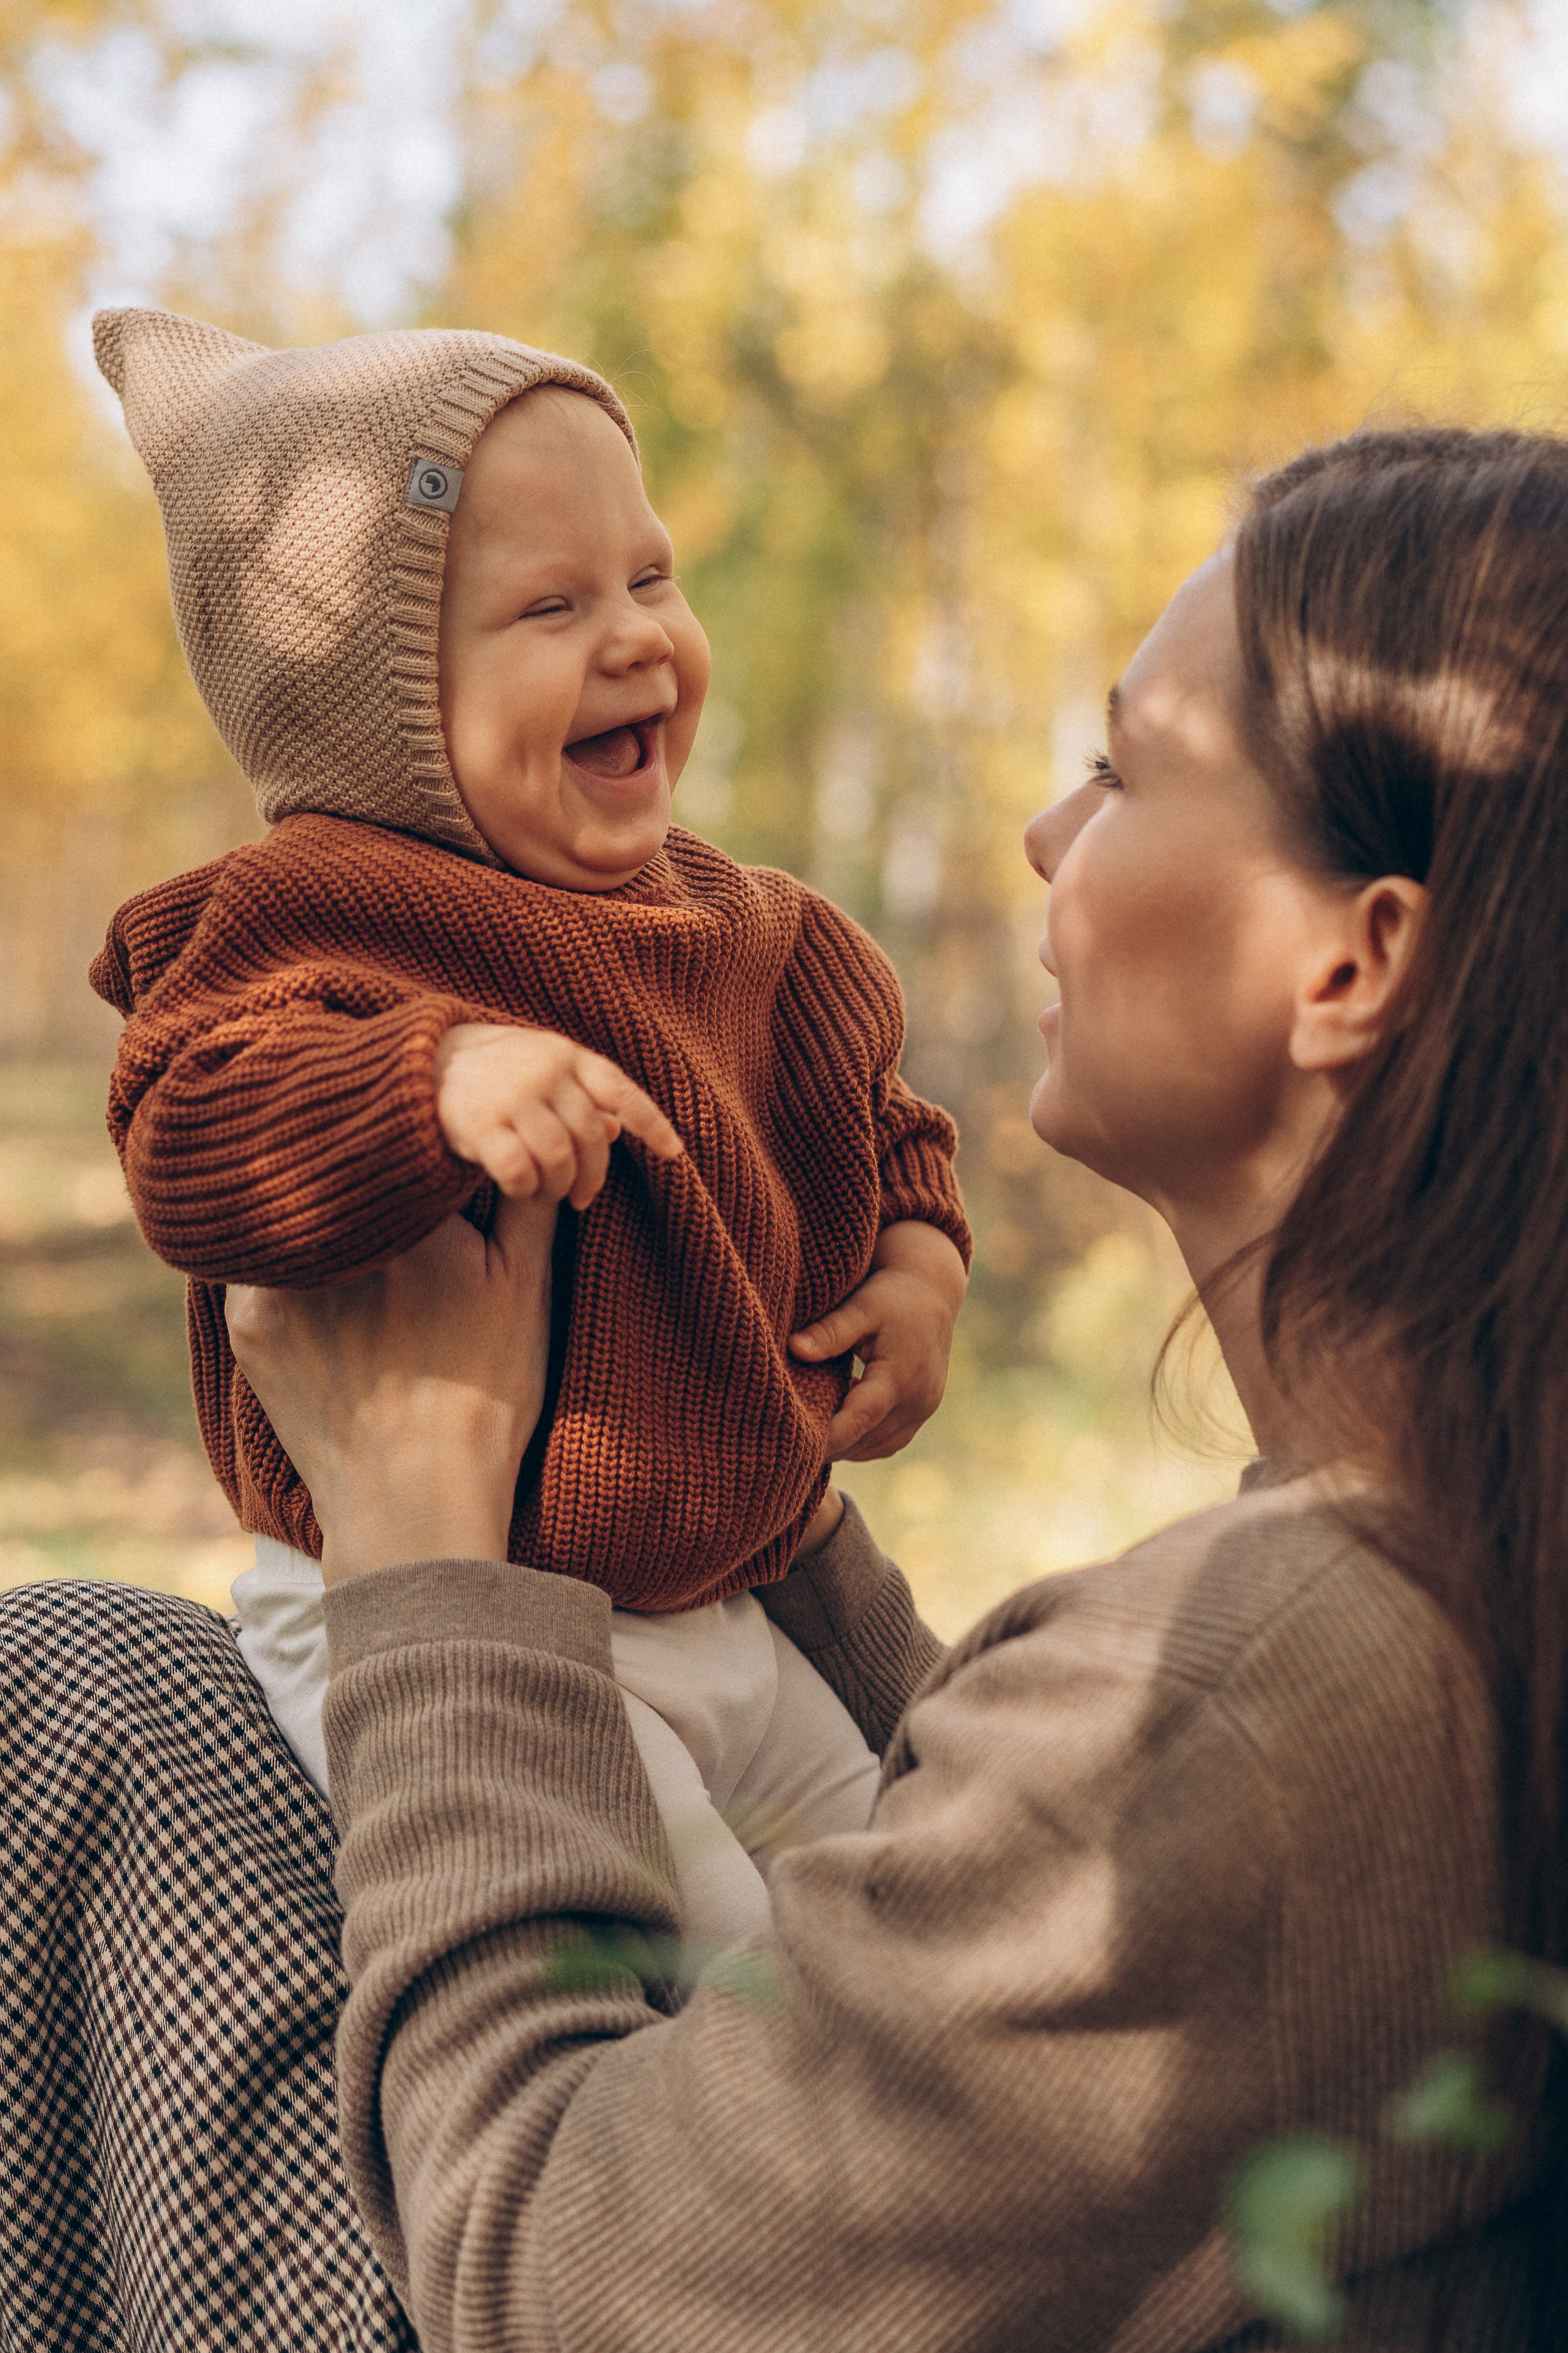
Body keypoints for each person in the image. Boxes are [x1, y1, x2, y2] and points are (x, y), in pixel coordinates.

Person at [2, 420, 1562, 2349]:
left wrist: (421, 1530)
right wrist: (760, 1467)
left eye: (1124, 767)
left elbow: (563, 2280)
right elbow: (989, 1945)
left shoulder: (1290, 1684)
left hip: (549, 2249)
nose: (1044, 835)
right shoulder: (1434, 1574)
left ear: (1354, 959)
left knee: (77, 1686)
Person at [85, 308, 970, 1938]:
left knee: (923, 1925)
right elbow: (192, 1132)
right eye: (551, 606)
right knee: (702, 1985)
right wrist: (420, 1078)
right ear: (370, 710)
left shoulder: (742, 923)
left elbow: (878, 1104)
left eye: (650, 575)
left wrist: (917, 1264)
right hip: (439, 1615)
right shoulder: (313, 920)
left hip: (730, 1606)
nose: (636, 636)